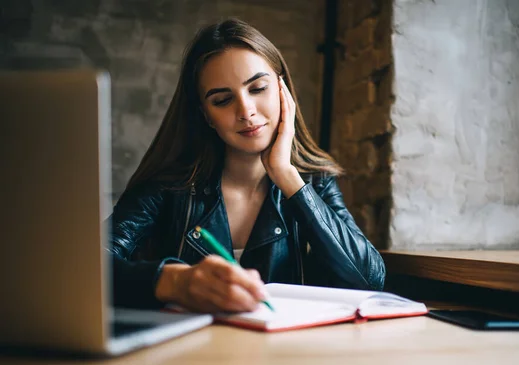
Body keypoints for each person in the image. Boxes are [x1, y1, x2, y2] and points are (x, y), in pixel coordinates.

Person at [108, 18, 385, 313]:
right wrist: (177, 282)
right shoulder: (169, 185)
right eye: (223, 100)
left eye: (258, 88)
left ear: (284, 92)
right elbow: (87, 265)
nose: (246, 111)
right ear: (206, 115)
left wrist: (288, 177)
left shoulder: (313, 182)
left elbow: (369, 280)